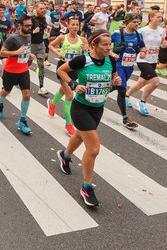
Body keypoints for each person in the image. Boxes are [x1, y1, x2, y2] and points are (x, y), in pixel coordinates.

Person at [56, 30, 121, 207]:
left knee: (80, 135)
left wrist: (116, 80)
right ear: (94, 45)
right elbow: (61, 70)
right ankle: (86, 187)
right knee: (93, 149)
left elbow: (113, 76)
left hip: (98, 107)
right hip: (81, 108)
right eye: (104, 45)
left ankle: (65, 155)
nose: (108, 48)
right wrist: (74, 84)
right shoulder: (84, 60)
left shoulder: (111, 60)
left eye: (110, 45)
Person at [48, 17, 89, 136]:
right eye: (73, 25)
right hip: (63, 69)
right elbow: (51, 45)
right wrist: (58, 53)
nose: (75, 27)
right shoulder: (62, 37)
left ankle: (52, 103)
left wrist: (86, 50)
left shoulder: (83, 39)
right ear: (68, 26)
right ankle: (68, 124)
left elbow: (88, 54)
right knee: (70, 95)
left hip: (75, 69)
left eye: (77, 25)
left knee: (63, 89)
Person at [0, 14, 35, 135]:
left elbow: (25, 50)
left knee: (27, 95)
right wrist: (16, 52)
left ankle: (22, 121)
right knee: (6, 91)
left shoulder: (29, 36)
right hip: (10, 71)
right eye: (27, 26)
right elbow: (2, 53)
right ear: (20, 26)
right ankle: (0, 102)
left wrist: (29, 55)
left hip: (23, 70)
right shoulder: (12, 38)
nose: (29, 28)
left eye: (30, 25)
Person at [125, 12, 167, 116]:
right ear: (151, 17)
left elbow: (162, 42)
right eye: (158, 17)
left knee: (142, 82)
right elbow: (135, 43)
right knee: (155, 82)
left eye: (161, 17)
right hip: (143, 60)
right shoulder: (142, 31)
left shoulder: (162, 30)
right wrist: (141, 50)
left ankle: (126, 96)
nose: (160, 19)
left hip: (153, 60)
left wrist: (164, 44)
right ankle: (142, 102)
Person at [110, 14, 147, 129]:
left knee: (118, 86)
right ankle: (125, 118)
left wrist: (143, 52)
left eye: (138, 22)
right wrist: (111, 53)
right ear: (127, 22)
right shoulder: (117, 34)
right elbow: (103, 45)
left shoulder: (138, 34)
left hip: (129, 66)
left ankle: (100, 91)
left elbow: (143, 46)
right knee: (122, 89)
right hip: (118, 65)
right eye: (134, 22)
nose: (137, 24)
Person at [31, 2, 50, 96]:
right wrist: (33, 32)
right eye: (41, 8)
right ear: (36, 9)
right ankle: (18, 77)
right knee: (27, 64)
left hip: (41, 44)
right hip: (31, 45)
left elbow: (44, 27)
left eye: (44, 8)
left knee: (41, 65)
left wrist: (48, 27)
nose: (43, 10)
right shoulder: (31, 19)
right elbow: (23, 31)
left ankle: (41, 87)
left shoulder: (44, 18)